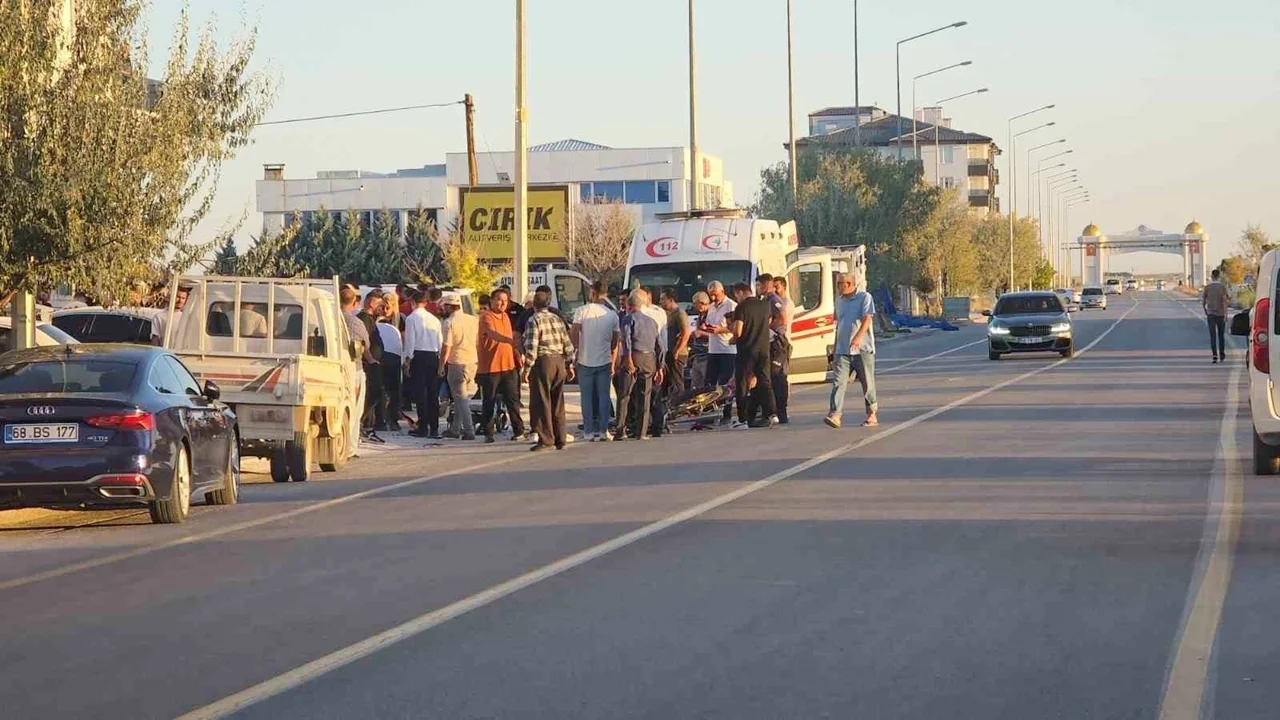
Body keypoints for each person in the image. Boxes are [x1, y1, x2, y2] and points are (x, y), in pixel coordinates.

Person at [522, 288, 575, 451]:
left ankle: (546, 439)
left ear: (534, 305)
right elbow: (568, 344)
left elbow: (532, 346)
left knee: (542, 401)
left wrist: (526, 369)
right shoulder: (557, 319)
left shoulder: (534, 320)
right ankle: (561, 437)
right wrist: (569, 364)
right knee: (558, 401)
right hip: (559, 361)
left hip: (543, 362)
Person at [826, 271, 878, 429]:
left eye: (839, 284)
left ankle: (871, 414)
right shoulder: (839, 301)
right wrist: (835, 348)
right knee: (838, 382)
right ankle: (835, 414)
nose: (837, 287)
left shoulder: (864, 297)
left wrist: (858, 337)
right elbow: (839, 325)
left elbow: (867, 319)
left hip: (862, 349)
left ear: (849, 284)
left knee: (867, 382)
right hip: (842, 350)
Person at [571, 280, 620, 442]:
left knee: (586, 397)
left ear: (592, 292)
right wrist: (609, 350)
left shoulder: (581, 311)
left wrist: (575, 350)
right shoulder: (612, 315)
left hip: (585, 359)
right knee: (603, 396)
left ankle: (589, 431)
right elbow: (615, 340)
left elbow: (574, 332)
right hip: (604, 360)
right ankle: (603, 431)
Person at [478, 289, 527, 443]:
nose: (503, 303)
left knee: (512, 399)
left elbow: (510, 337)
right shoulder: (486, 316)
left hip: (508, 366)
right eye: (499, 299)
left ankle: (519, 430)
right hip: (491, 367)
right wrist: (509, 340)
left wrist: (516, 351)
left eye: (505, 300)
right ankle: (488, 432)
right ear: (492, 301)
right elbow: (492, 334)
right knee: (489, 400)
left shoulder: (506, 316)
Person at [615, 291, 663, 441]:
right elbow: (660, 345)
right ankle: (641, 432)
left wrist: (627, 358)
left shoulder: (628, 319)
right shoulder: (652, 321)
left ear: (629, 304)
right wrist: (660, 367)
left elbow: (627, 339)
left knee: (624, 395)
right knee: (645, 395)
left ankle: (620, 430)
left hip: (634, 356)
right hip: (649, 358)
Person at [731, 282, 777, 428]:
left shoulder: (741, 307)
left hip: (747, 349)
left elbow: (738, 331)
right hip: (763, 348)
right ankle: (772, 413)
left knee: (742, 384)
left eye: (736, 295)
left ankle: (743, 419)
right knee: (765, 381)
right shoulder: (765, 305)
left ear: (739, 292)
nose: (737, 298)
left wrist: (732, 339)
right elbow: (769, 321)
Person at [403, 290, 444, 439]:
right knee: (433, 394)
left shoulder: (411, 318)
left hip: (418, 356)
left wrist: (407, 360)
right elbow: (440, 342)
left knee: (420, 393)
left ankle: (423, 427)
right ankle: (434, 428)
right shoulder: (434, 319)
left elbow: (410, 341)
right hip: (433, 356)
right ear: (426, 303)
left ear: (413, 302)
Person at [439, 291, 479, 441]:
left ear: (449, 307)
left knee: (461, 399)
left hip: (457, 363)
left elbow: (446, 346)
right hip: (472, 362)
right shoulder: (473, 320)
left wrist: (441, 365)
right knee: (462, 399)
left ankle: (469, 430)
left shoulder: (449, 322)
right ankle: (455, 429)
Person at [340, 287, 372, 452]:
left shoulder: (330, 319)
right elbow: (366, 345)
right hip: (354, 368)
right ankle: (351, 447)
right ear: (354, 302)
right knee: (355, 408)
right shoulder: (356, 322)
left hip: (334, 368)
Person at [703, 281, 738, 421]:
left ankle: (726, 413)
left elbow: (736, 328)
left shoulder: (731, 306)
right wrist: (706, 327)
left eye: (715, 295)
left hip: (728, 350)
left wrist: (720, 330)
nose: (713, 298)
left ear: (722, 292)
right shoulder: (711, 307)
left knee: (725, 383)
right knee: (710, 382)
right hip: (713, 349)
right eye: (710, 295)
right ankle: (710, 412)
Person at [357, 291, 387, 442]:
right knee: (371, 394)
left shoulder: (370, 319)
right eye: (379, 305)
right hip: (368, 364)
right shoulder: (364, 319)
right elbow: (363, 342)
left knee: (375, 394)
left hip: (373, 363)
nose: (382, 309)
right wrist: (370, 359)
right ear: (371, 303)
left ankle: (367, 424)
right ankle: (362, 424)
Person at [771, 276, 796, 424]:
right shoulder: (774, 302)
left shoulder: (786, 303)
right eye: (773, 287)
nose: (775, 290)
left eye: (777, 287)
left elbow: (781, 321)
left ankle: (782, 410)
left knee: (781, 377)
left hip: (783, 343)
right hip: (773, 343)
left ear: (784, 287)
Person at [659, 288, 691, 401]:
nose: (660, 302)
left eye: (663, 299)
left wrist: (677, 351)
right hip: (669, 351)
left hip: (678, 354)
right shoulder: (666, 314)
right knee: (669, 382)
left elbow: (685, 333)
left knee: (677, 382)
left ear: (671, 300)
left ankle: (680, 404)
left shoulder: (680, 314)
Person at [376, 302, 404, 432]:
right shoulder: (394, 329)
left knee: (382, 390)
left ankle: (382, 420)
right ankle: (391, 421)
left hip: (383, 358)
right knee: (392, 391)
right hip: (392, 359)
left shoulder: (376, 327)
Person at [1202, 268, 1230, 364]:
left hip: (1211, 314)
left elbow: (1203, 301)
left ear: (1212, 276)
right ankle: (1222, 354)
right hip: (1220, 314)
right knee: (1221, 335)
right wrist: (1226, 314)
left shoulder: (1207, 287)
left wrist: (1205, 310)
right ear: (1219, 276)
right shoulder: (1222, 287)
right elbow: (1225, 300)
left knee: (1212, 335)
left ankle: (1214, 355)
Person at [688, 291, 711, 390]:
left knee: (706, 386)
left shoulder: (711, 315)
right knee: (696, 385)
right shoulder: (700, 316)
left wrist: (701, 333)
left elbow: (718, 335)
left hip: (707, 356)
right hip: (698, 355)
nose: (693, 306)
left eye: (695, 303)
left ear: (701, 303)